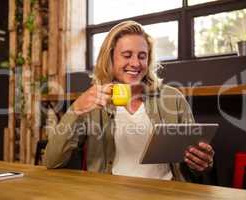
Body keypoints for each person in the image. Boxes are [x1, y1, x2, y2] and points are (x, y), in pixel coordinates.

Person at [45, 20, 214, 182]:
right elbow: (52, 161)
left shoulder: (172, 98)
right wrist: (75, 110)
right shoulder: (94, 102)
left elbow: (195, 166)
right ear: (110, 57)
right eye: (127, 55)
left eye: (142, 56)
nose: (135, 63)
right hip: (111, 193)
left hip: (165, 192)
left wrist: (201, 163)